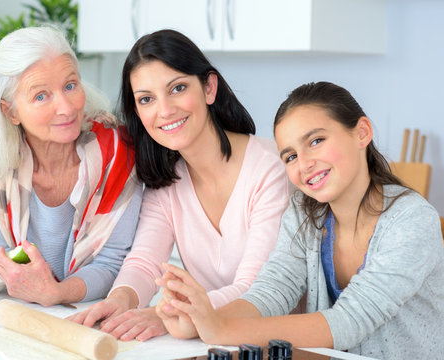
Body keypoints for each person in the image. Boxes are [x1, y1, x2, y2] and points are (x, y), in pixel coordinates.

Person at [155, 82, 444, 358]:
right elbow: (272, 292)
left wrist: (220, 329)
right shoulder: (304, 210)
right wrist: (199, 320)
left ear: (362, 132)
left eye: (316, 141)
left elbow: (347, 322)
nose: (305, 164)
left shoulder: (410, 220)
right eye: (290, 156)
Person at [68, 29, 289, 341]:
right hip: (213, 341)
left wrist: (165, 315)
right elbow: (145, 263)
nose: (165, 110)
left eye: (177, 88)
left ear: (209, 88)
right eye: (146, 99)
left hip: (278, 343)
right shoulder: (166, 180)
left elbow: (254, 287)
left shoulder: (270, 169)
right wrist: (119, 302)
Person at [0, 26, 142, 306]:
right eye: (41, 95)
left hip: (98, 313)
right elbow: (2, 257)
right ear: (10, 111)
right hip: (28, 311)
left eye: (70, 85)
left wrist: (56, 294)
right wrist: (35, 291)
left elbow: (112, 264)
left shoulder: (119, 155)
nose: (67, 108)